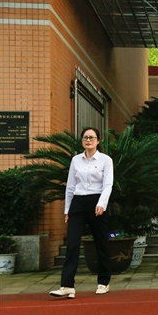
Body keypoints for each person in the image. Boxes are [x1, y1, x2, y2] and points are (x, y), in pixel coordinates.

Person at [50, 127, 113, 299]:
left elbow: (108, 184)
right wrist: (67, 210)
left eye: (92, 137)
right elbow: (70, 186)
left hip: (97, 202)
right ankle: (67, 285)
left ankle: (104, 282)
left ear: (98, 140)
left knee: (101, 243)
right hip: (77, 203)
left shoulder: (105, 160)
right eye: (85, 137)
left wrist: (101, 204)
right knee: (72, 243)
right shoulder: (76, 160)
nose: (88, 140)